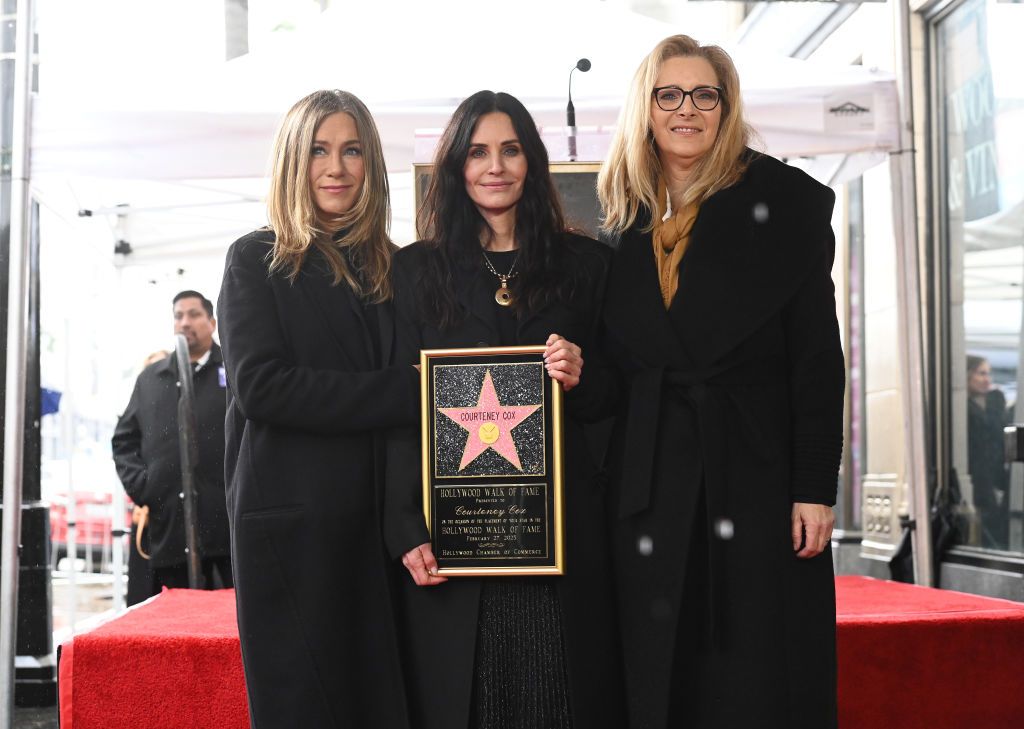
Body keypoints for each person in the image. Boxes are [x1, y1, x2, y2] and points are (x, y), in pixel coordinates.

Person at [597, 35, 845, 728]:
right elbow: (614, 371)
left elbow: (818, 360)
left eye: (704, 94)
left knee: (754, 673)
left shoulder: (788, 205)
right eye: (667, 94)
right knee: (657, 667)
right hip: (648, 485)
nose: (687, 109)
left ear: (726, 107)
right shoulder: (620, 218)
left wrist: (813, 487)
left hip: (755, 473)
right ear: (644, 108)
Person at [384, 90, 625, 729]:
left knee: (558, 704)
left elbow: (622, 399)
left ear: (533, 161)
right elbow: (398, 410)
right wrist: (401, 522)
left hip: (563, 543)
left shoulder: (589, 266)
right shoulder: (414, 273)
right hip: (452, 545)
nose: (496, 166)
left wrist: (583, 375)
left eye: (511, 150)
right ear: (456, 167)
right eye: (479, 151)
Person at [217, 89, 419, 728]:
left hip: (381, 527)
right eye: (319, 150)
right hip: (294, 532)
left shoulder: (393, 267)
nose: (336, 167)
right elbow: (262, 387)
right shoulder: (257, 258)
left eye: (352, 150)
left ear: (372, 164)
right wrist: (408, 391)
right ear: (291, 162)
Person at [112, 292, 232, 594]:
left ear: (212, 322)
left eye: (193, 315)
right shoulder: (152, 378)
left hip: (227, 525)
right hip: (170, 526)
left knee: (230, 620)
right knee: (173, 624)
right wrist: (145, 487)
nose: (185, 322)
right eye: (178, 316)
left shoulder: (233, 371)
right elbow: (124, 439)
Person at [966, 355, 1009, 548]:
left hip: (993, 478)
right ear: (967, 375)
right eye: (981, 373)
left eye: (988, 374)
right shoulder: (964, 408)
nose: (987, 380)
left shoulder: (992, 402)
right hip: (976, 480)